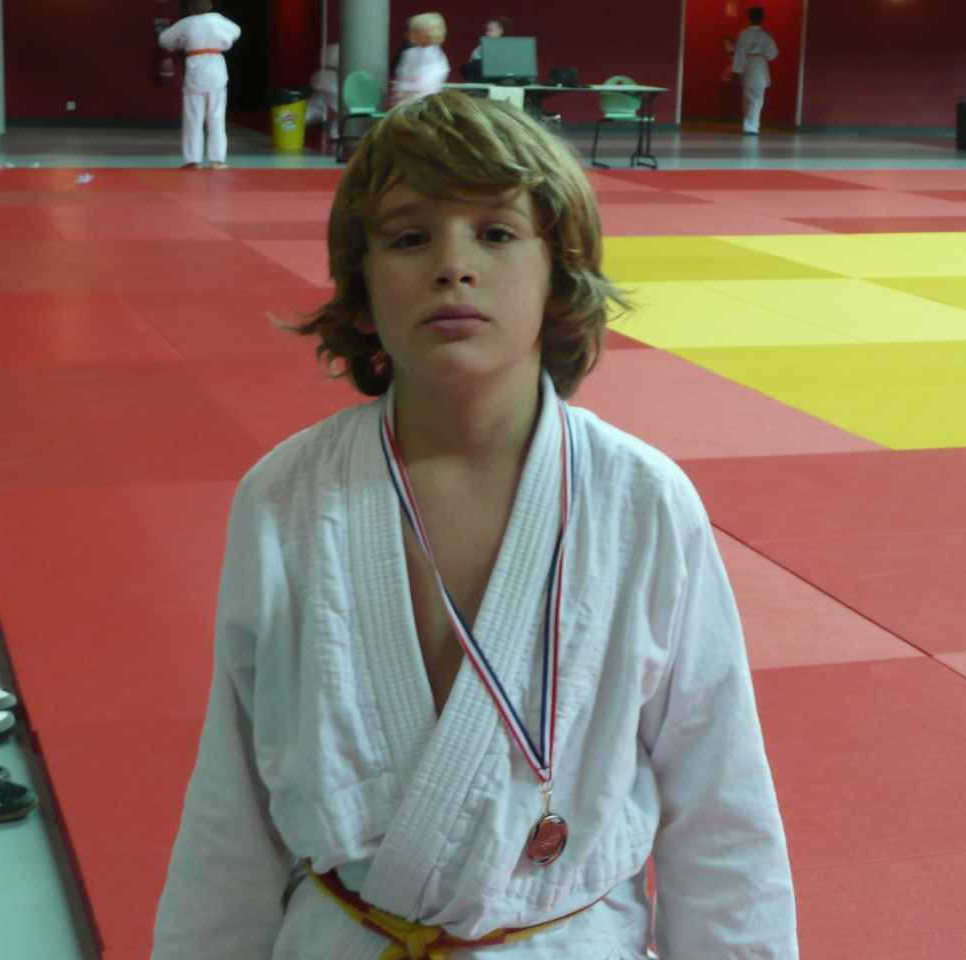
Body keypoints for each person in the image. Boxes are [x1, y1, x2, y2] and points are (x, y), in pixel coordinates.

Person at [151, 90, 797, 960]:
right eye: (409, 237)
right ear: (362, 289)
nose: (453, 265)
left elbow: (720, 798)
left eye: (496, 232)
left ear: (558, 276)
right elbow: (232, 801)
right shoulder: (287, 496)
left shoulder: (640, 499)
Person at [157, 0, 242, 170]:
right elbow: (236, 31)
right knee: (216, 118)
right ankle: (217, 160)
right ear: (210, 7)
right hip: (216, 71)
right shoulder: (217, 19)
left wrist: (181, 42)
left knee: (193, 119)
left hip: (195, 71)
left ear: (190, 9)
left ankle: (194, 161)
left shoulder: (186, 23)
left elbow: (163, 39)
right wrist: (224, 41)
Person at [732, 6, 778, 135]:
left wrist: (738, 70)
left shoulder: (743, 34)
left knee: (747, 96)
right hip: (759, 65)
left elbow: (739, 53)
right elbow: (773, 53)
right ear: (761, 18)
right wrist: (764, 55)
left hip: (747, 64)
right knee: (757, 97)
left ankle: (749, 124)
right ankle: (752, 125)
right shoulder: (765, 35)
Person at [392, 13, 450, 104]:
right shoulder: (409, 54)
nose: (410, 34)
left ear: (428, 33)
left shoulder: (437, 57)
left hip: (424, 104)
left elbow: (424, 86)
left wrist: (405, 86)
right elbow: (401, 79)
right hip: (403, 103)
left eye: (415, 31)